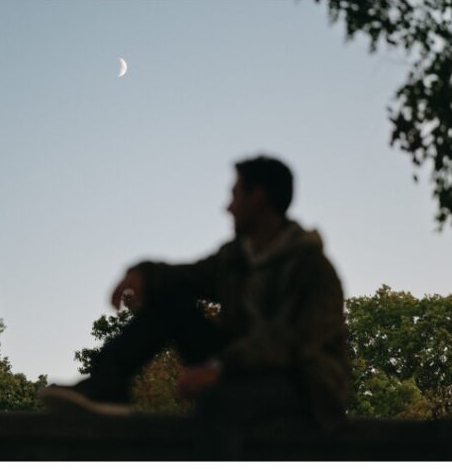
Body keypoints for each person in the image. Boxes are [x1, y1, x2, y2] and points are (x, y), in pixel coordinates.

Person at [40, 156, 350, 451]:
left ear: (258, 197)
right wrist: (142, 274)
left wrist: (220, 367)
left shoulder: (314, 270)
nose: (228, 207)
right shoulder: (235, 258)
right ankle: (108, 387)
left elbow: (293, 342)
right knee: (170, 299)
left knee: (218, 401)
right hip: (240, 365)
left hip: (303, 383)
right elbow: (189, 276)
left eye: (235, 195)